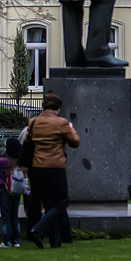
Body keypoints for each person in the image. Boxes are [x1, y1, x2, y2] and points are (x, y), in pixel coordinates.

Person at [24, 92, 80, 248]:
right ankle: (39, 229)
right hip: (55, 167)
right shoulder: (61, 123)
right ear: (58, 107)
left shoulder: (33, 122)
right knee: (61, 203)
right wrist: (71, 128)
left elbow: (29, 141)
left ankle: (56, 242)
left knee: (49, 204)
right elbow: (75, 142)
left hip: (37, 167)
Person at [0, 137, 26, 248]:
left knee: (6, 216)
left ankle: (7, 241)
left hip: (5, 189)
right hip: (16, 190)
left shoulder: (3, 162)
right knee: (14, 216)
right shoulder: (19, 162)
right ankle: (16, 241)